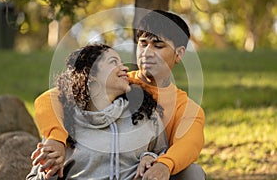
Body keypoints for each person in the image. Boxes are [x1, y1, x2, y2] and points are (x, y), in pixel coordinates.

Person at [31, 10, 206, 180]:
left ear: (179, 53)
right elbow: (49, 99)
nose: (147, 52)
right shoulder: (119, 84)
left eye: (158, 46)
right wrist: (56, 139)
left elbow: (189, 144)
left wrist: (163, 164)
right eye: (143, 44)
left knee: (193, 172)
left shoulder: (186, 107)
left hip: (155, 172)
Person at [26, 44, 168, 179]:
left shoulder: (144, 115)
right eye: (114, 62)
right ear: (91, 73)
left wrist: (151, 158)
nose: (125, 68)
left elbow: (165, 155)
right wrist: (48, 172)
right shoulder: (63, 122)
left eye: (122, 62)